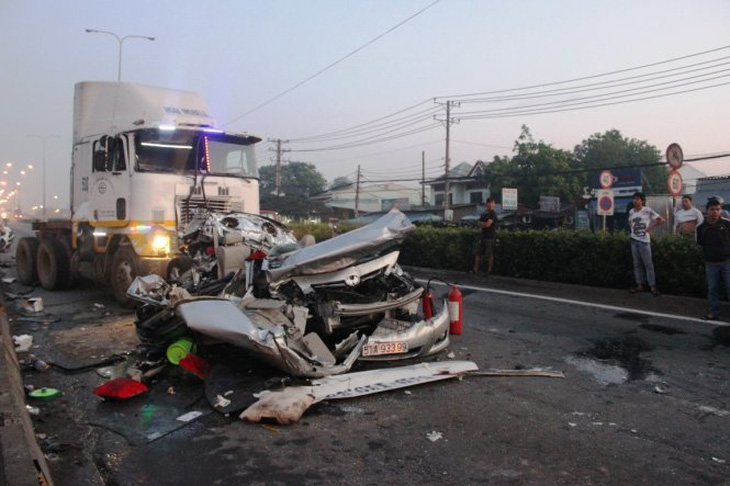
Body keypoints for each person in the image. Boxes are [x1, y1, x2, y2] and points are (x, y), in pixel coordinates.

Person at [696, 198, 730, 320]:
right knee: (712, 289)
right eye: (712, 209)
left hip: (727, 263)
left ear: (721, 210)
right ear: (707, 211)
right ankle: (713, 312)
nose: (715, 212)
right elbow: (700, 245)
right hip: (710, 264)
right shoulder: (701, 228)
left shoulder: (727, 224)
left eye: (718, 209)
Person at [628, 192, 664, 295]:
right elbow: (629, 222)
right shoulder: (631, 212)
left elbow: (661, 220)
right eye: (634, 199)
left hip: (644, 241)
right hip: (634, 240)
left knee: (648, 264)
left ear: (642, 201)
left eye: (637, 199)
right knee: (637, 264)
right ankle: (639, 285)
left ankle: (652, 286)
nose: (635, 200)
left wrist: (649, 228)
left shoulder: (647, 210)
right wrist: (632, 230)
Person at [473, 197, 498, 275]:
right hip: (483, 236)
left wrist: (483, 224)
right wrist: (484, 224)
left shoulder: (493, 214)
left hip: (490, 237)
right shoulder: (484, 213)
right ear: (486, 204)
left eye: (492, 203)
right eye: (489, 203)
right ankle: (475, 270)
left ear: (494, 204)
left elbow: (488, 224)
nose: (490, 204)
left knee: (489, 254)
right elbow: (479, 224)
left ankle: (489, 271)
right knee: (478, 253)